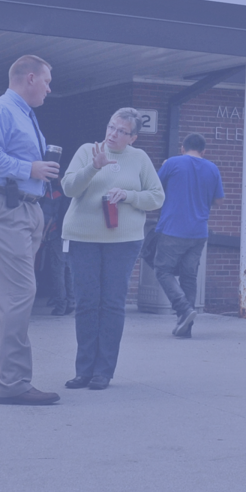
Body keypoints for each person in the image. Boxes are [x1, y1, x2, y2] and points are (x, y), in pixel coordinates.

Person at [0, 54, 60, 406]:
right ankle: (14, 382)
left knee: (1, 297)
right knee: (19, 294)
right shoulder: (0, 110)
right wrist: (30, 168)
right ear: (30, 77)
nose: (50, 88)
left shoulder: (22, 114)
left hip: (21, 208)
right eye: (47, 81)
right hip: (4, 207)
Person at [60, 108, 165, 390]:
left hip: (123, 241)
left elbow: (157, 197)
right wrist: (94, 166)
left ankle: (103, 371)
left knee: (112, 304)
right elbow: (69, 188)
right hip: (83, 237)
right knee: (86, 302)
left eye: (121, 131)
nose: (112, 134)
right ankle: (83, 370)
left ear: (133, 137)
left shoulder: (139, 158)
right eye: (110, 127)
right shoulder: (87, 150)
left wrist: (129, 195)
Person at [155, 132, 224, 338]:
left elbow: (155, 188)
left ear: (182, 148)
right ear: (204, 151)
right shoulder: (213, 168)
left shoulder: (173, 163)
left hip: (172, 228)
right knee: (189, 275)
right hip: (199, 231)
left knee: (163, 270)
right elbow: (219, 200)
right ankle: (186, 327)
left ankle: (183, 309)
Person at [39, 180, 74, 316]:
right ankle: (71, 302)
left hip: (56, 235)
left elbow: (46, 216)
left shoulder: (52, 193)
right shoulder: (69, 193)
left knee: (57, 270)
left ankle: (60, 305)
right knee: (68, 268)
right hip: (70, 234)